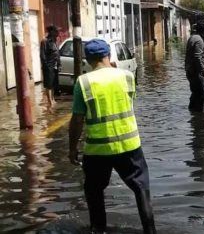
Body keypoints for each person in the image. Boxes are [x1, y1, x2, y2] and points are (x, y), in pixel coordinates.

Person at [68, 39, 156, 234]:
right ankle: (150, 230)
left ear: (88, 59)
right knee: (141, 188)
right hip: (129, 146)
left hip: (98, 149)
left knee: (94, 191)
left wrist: (72, 148)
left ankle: (98, 229)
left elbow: (77, 120)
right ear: (108, 55)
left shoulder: (83, 83)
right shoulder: (127, 77)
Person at [185, 22, 204, 112]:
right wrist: (203, 70)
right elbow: (197, 56)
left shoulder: (192, 37)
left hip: (190, 71)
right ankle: (200, 116)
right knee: (201, 94)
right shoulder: (199, 40)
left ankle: (193, 115)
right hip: (196, 72)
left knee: (195, 93)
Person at [40, 26, 61, 106]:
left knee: (53, 84)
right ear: (51, 32)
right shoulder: (44, 41)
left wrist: (59, 64)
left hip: (55, 66)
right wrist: (46, 66)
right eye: (56, 31)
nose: (58, 33)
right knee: (48, 84)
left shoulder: (55, 41)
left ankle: (52, 99)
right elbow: (42, 55)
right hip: (48, 66)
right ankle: (49, 102)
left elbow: (57, 54)